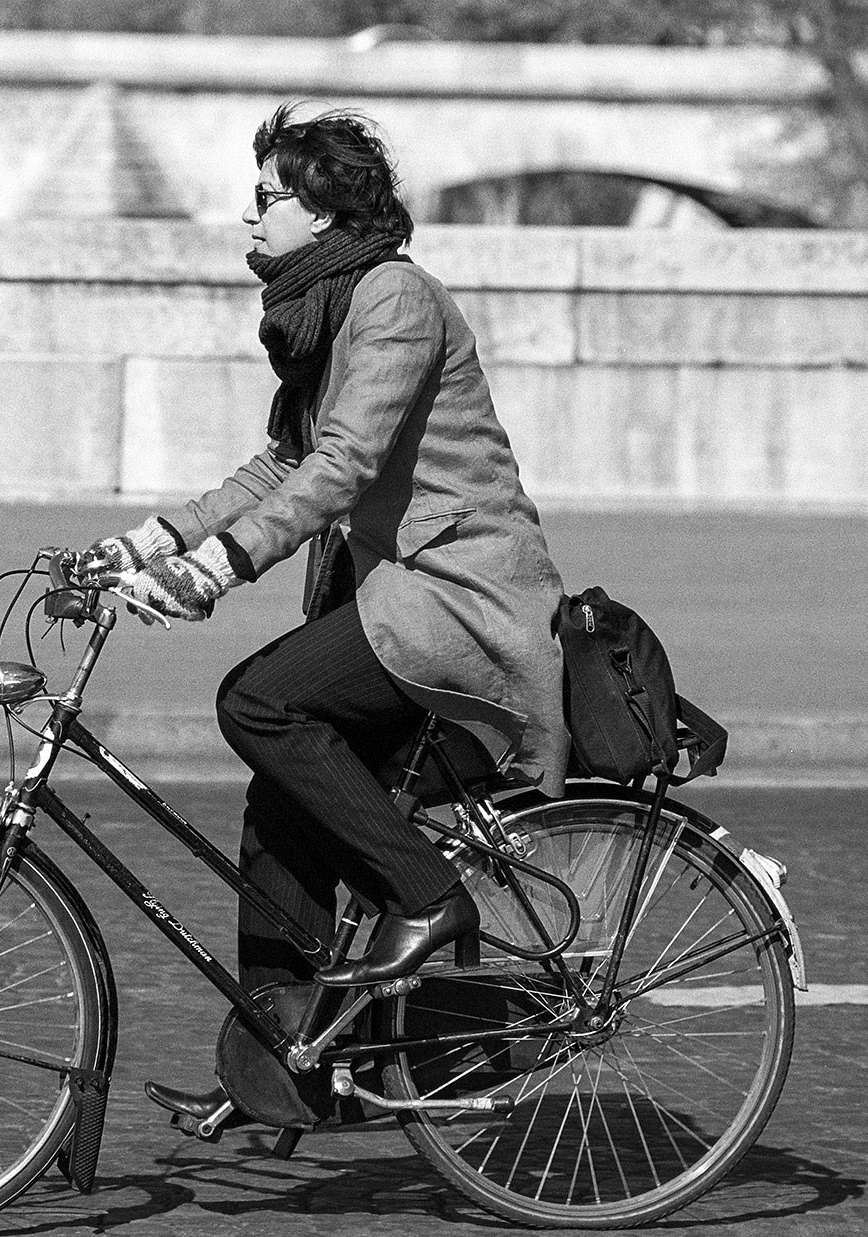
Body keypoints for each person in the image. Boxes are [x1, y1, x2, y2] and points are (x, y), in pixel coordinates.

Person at [77, 103, 569, 1131]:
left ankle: (427, 900)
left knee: (257, 702)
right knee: (280, 809)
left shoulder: (391, 298)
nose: (245, 218)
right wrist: (148, 543)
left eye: (264, 199)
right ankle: (279, 1060)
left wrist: (216, 570)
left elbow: (341, 465)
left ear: (322, 208)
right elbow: (283, 463)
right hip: (400, 598)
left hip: (459, 596)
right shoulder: (326, 310)